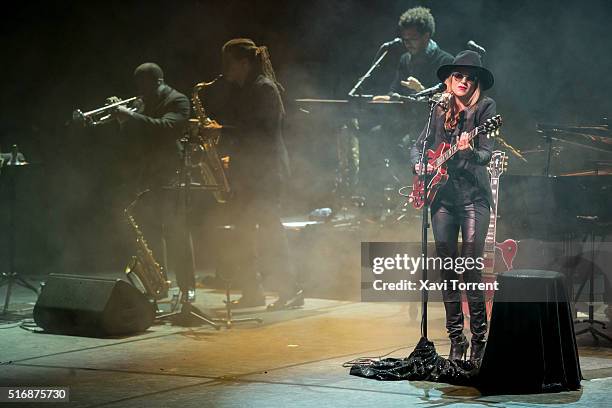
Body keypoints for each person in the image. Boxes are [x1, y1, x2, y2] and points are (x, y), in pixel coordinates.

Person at [410, 50, 496, 362]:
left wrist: (470, 151)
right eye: (458, 75)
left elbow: (487, 154)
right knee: (447, 270)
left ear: (477, 83)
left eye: (470, 77)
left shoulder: (486, 108)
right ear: (450, 78)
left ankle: (480, 342)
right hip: (442, 199)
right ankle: (456, 339)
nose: (463, 81)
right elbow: (420, 144)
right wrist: (419, 167)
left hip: (473, 197)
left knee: (470, 268)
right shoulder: (437, 108)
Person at [219, 38, 302, 310]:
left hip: (266, 172)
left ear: (244, 63)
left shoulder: (264, 89)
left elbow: (260, 134)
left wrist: (222, 133)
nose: (225, 70)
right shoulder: (246, 89)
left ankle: (290, 289)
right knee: (245, 231)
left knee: (269, 231)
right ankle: (252, 290)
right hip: (251, 171)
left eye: (229, 64)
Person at [111, 63, 195, 301]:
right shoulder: (144, 103)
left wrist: (133, 116)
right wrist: (124, 118)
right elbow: (133, 138)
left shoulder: (178, 101)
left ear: (157, 82)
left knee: (177, 231)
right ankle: (159, 286)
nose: (140, 92)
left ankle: (188, 288)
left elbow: (166, 128)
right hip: (148, 174)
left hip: (172, 174)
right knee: (151, 232)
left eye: (144, 87)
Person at [373, 7, 453, 101]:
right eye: (405, 39)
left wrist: (421, 89)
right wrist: (389, 98)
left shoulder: (446, 61)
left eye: (413, 39)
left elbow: (450, 101)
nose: (408, 43)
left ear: (426, 36)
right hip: (407, 115)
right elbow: (395, 90)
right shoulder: (405, 59)